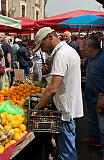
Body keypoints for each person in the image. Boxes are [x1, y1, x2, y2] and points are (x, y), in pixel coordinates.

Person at [34, 27, 83, 160]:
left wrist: (36, 109)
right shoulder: (68, 51)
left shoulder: (61, 54)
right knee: (66, 148)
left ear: (50, 37)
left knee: (67, 152)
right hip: (69, 107)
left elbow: (52, 89)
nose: (42, 50)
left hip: (66, 111)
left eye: (42, 45)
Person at [82, 35, 104, 159]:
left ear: (90, 47)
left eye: (85, 46)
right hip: (90, 96)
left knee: (103, 127)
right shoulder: (90, 58)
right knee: (91, 120)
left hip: (101, 98)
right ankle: (94, 138)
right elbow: (82, 64)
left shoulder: (102, 58)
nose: (83, 48)